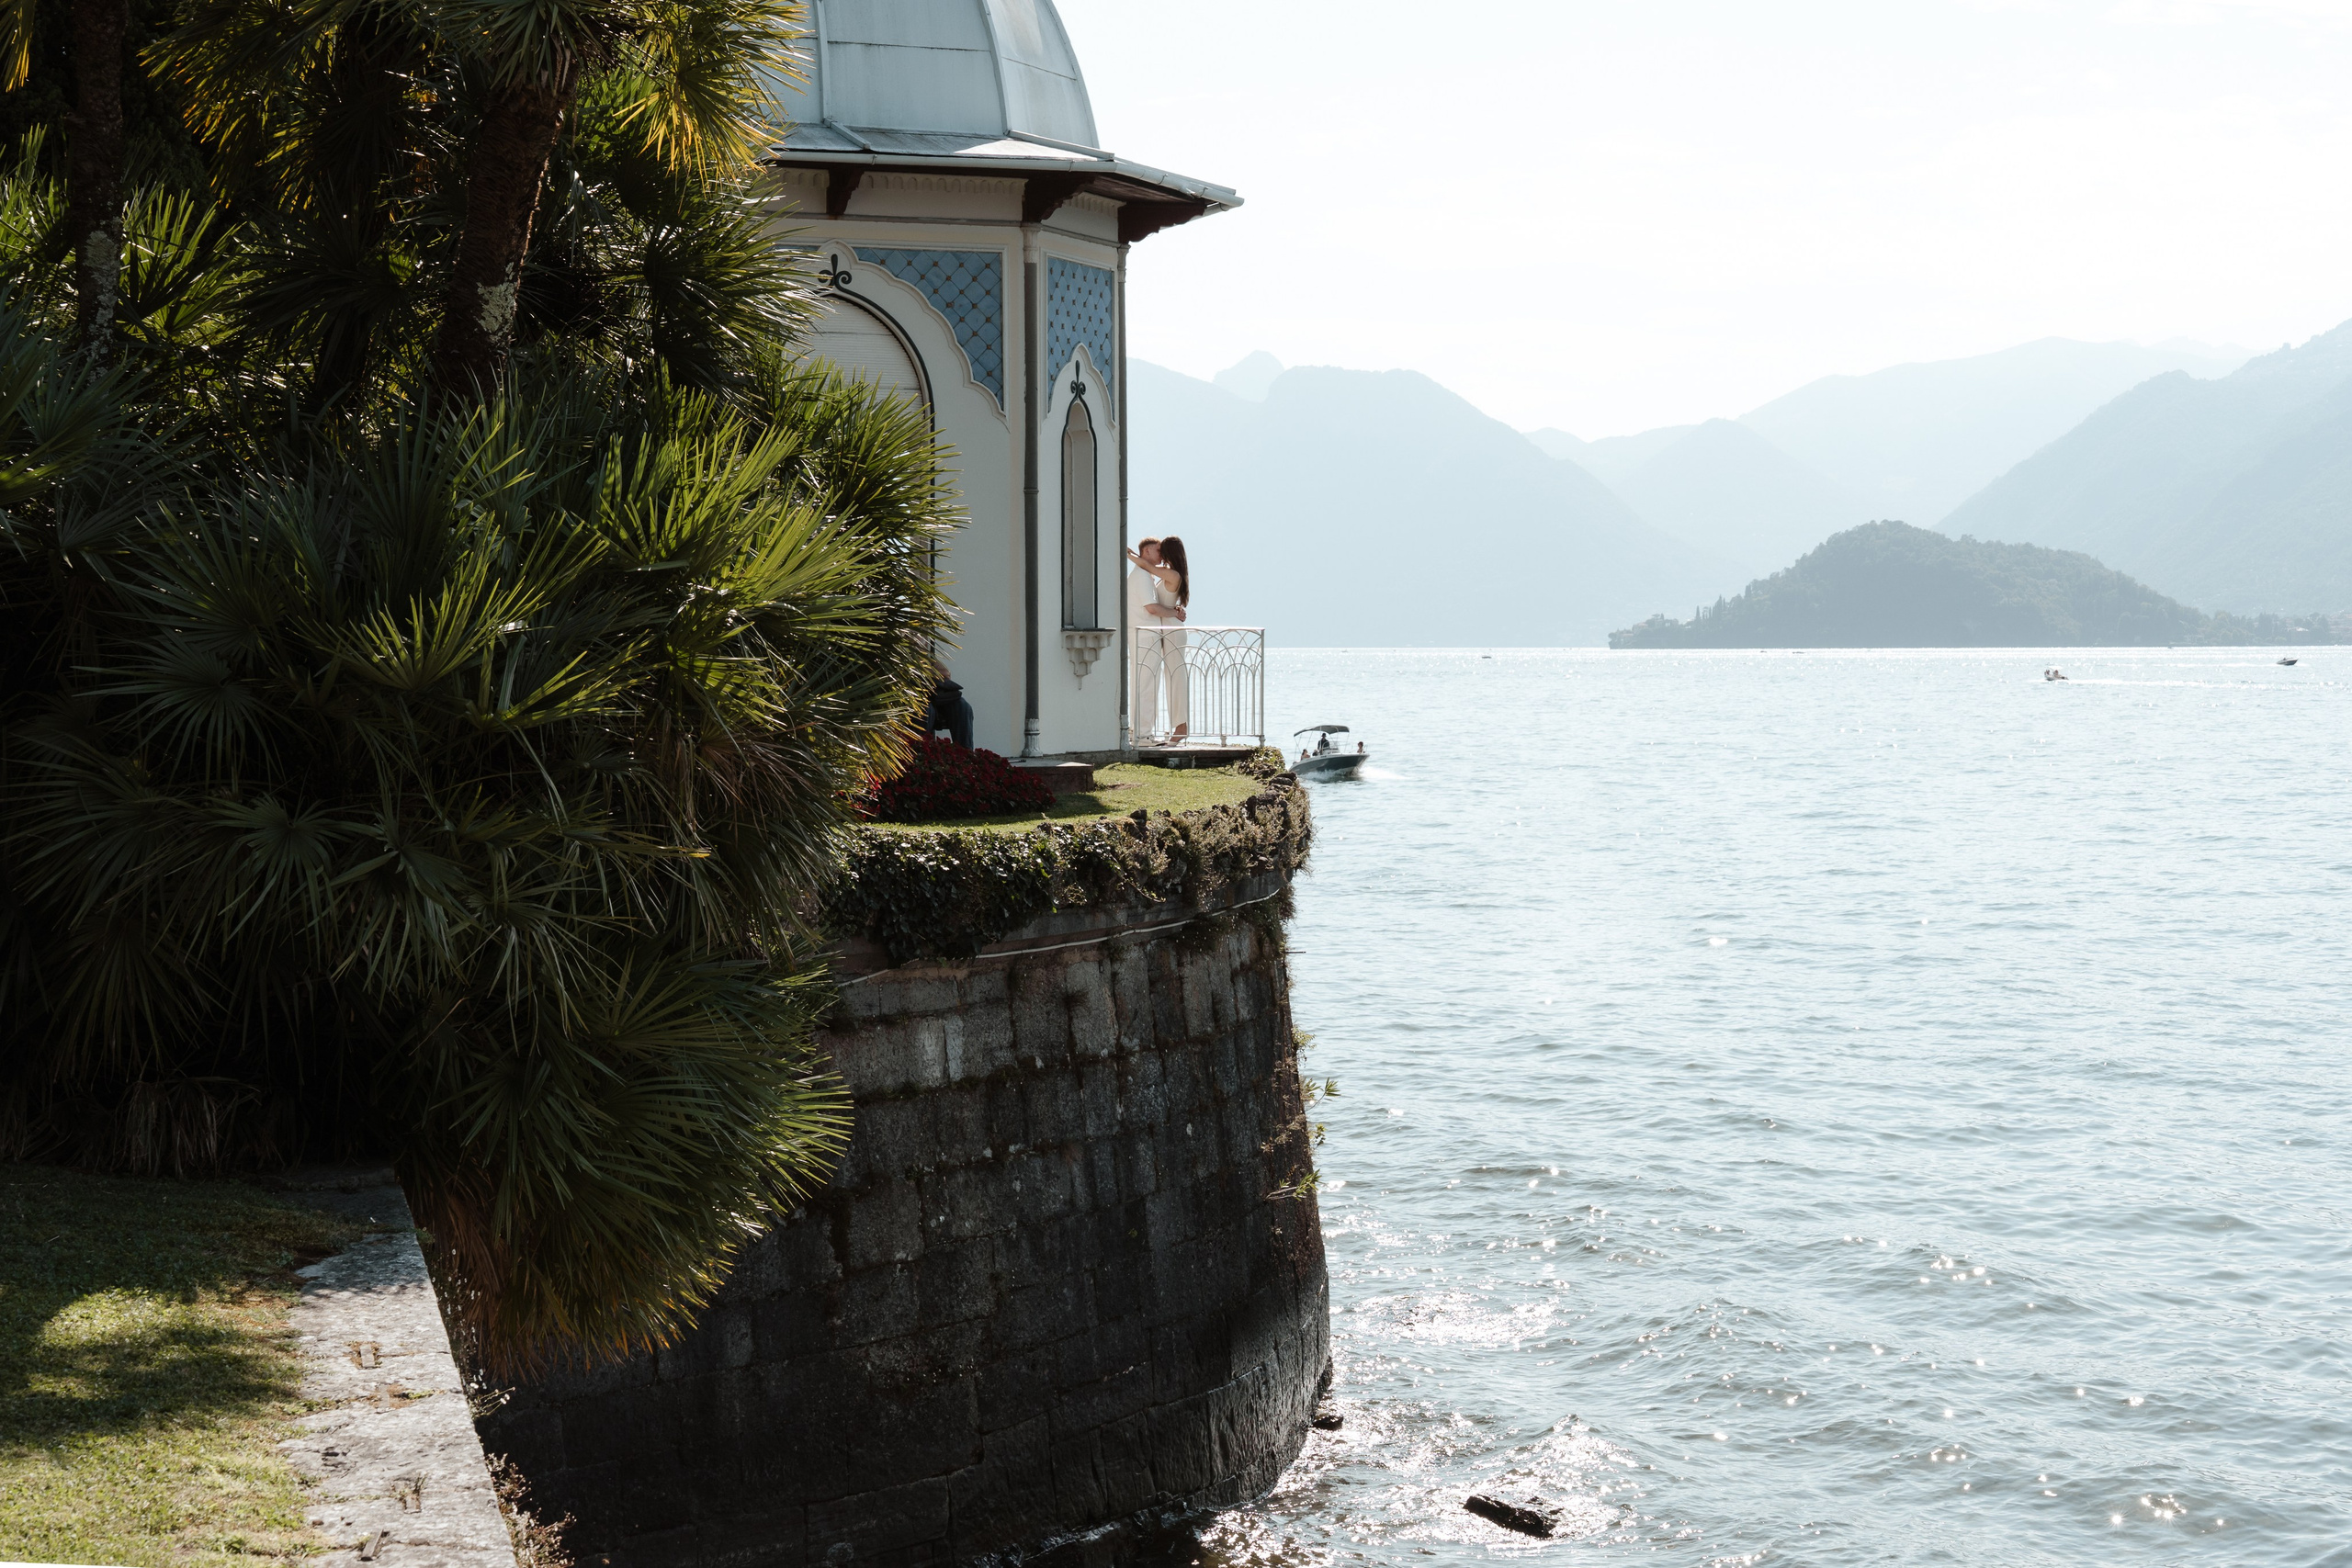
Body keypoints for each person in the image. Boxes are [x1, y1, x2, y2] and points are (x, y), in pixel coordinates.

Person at [1126, 536, 1191, 742]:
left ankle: (1181, 727)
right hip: (1166, 630)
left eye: (1164, 551)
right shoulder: (1165, 574)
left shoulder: (1171, 574)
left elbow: (1145, 564)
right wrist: (1175, 609)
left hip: (1172, 630)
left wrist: (1129, 555)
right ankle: (1176, 727)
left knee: (1176, 678)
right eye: (1159, 551)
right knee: (1171, 678)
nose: (1161, 554)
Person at [925, 659, 973, 749]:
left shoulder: (925, 655)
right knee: (925, 709)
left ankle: (965, 753)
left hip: (935, 694)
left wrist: (924, 672)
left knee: (963, 706)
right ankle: (921, 752)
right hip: (914, 697)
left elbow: (946, 673)